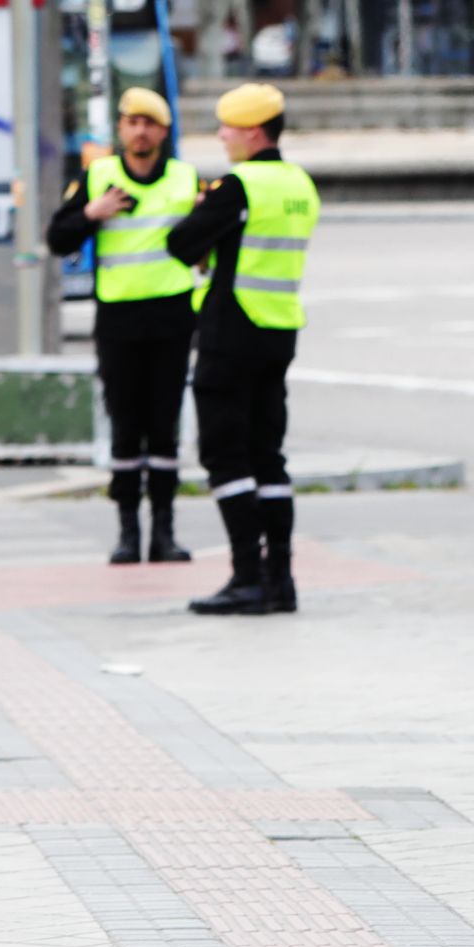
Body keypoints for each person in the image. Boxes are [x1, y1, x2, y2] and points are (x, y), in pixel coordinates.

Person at [169, 83, 317, 616]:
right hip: (278, 331)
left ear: (253, 132)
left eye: (228, 127)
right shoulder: (300, 184)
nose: (222, 136)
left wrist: (204, 211)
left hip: (230, 333)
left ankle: (245, 576)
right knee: (268, 457)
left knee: (225, 455)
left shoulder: (238, 186)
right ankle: (280, 578)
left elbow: (181, 244)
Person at [46, 87, 199, 564]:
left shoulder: (183, 179)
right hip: (118, 319)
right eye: (132, 122)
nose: (140, 131)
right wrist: (93, 214)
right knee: (125, 430)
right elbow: (57, 237)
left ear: (163, 131)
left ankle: (165, 533)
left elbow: (207, 237)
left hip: (172, 316)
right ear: (120, 128)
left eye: (149, 123)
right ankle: (128, 533)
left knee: (164, 430)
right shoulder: (99, 178)